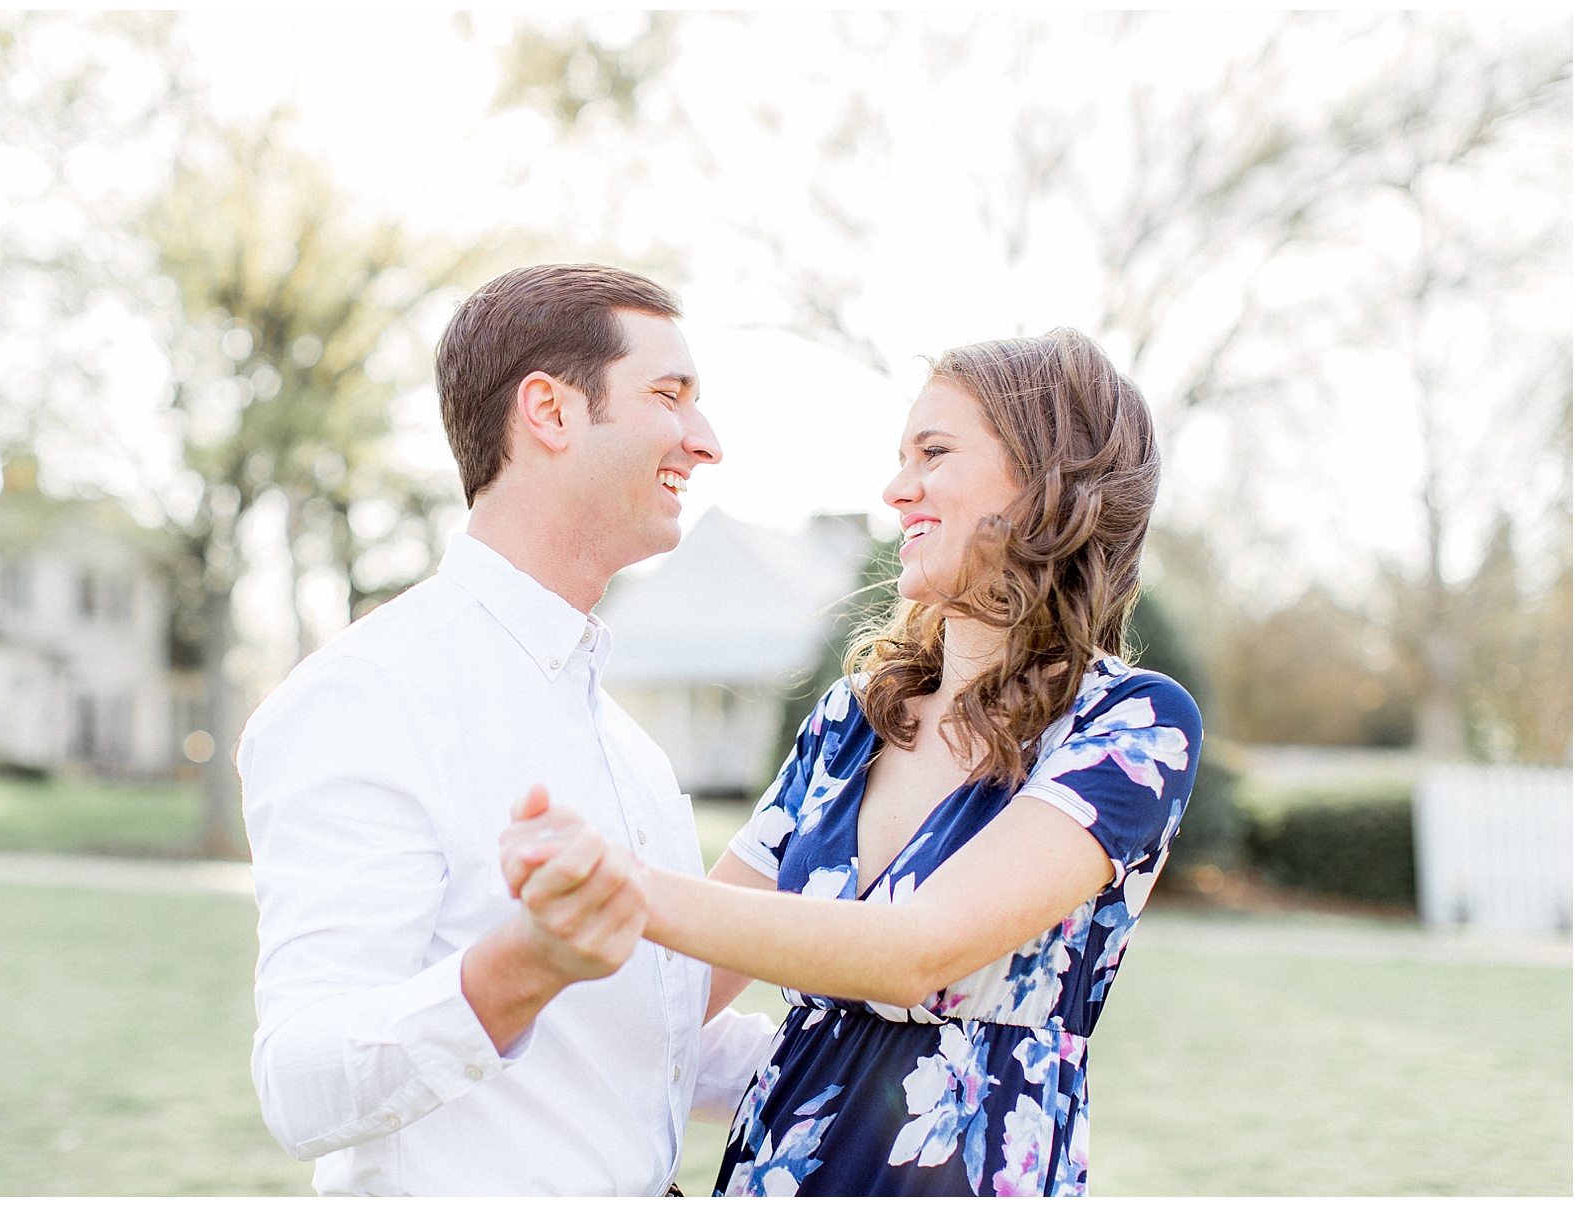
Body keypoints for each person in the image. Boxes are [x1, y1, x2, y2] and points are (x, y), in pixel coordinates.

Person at [504, 328, 1203, 1196]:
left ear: (1049, 480)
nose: (896, 487)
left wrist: (624, 882)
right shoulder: (850, 721)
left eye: (933, 452)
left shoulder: (1133, 724)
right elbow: (680, 988)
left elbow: (915, 952)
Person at [237, 264, 778, 1196]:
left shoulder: (628, 748)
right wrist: (523, 966)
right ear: (550, 412)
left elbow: (640, 1040)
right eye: (669, 395)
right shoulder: (367, 696)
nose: (707, 440)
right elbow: (302, 1084)